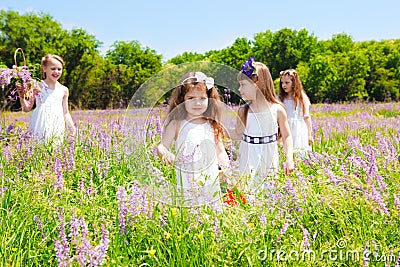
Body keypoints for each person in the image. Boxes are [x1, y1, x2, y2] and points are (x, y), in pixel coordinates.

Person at [156, 71, 229, 207]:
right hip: (187, 179)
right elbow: (161, 146)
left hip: (210, 179)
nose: (197, 103)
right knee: (189, 213)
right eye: (191, 98)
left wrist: (225, 169)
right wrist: (165, 154)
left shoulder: (211, 124)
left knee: (212, 214)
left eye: (202, 98)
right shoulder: (177, 123)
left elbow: (220, 151)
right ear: (182, 99)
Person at [231, 56, 294, 193]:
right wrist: (216, 128)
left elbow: (287, 136)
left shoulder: (277, 109)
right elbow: (237, 133)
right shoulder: (244, 111)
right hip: (248, 156)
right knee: (248, 192)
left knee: (268, 191)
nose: (239, 89)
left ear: (258, 84)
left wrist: (289, 158)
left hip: (268, 156)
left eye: (243, 85)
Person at [18, 54, 76, 144]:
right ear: (44, 69)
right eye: (53, 69)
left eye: (59, 69)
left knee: (55, 149)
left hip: (57, 123)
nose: (56, 72)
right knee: (39, 148)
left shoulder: (64, 90)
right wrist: (22, 96)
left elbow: (65, 112)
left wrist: (72, 127)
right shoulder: (37, 86)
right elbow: (27, 108)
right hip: (40, 123)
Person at [279, 69, 313, 156]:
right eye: (282, 82)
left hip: (299, 128)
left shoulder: (301, 98)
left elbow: (306, 116)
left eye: (287, 82)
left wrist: (309, 134)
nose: (284, 85)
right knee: (285, 152)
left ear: (294, 83)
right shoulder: (281, 98)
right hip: (285, 127)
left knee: (299, 151)